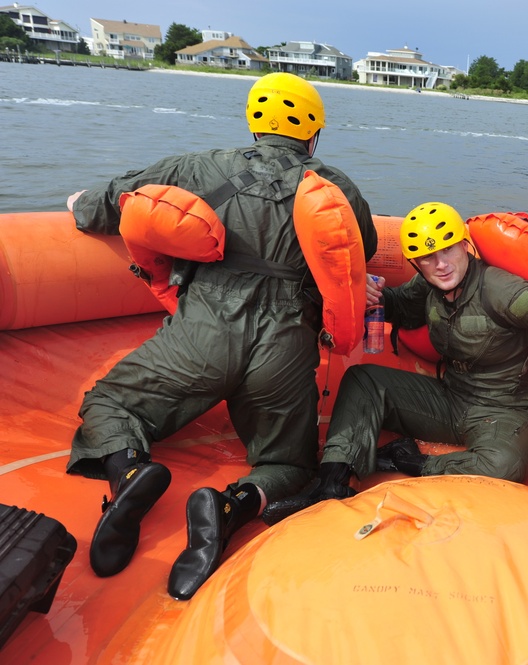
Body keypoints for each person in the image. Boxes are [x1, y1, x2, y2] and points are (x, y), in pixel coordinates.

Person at [65, 73, 378, 599]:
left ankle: (130, 474)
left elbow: (119, 199)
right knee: (288, 463)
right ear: (314, 133)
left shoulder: (195, 167)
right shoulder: (338, 188)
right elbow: (356, 252)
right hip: (284, 346)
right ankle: (232, 506)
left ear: (254, 124)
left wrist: (80, 204)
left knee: (112, 403)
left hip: (203, 333)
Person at [262, 202, 528, 524]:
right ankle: (332, 482)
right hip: (451, 400)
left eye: (448, 250)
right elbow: (400, 306)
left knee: (505, 466)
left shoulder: (502, 292)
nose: (441, 264)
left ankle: (412, 461)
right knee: (364, 381)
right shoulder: (428, 285)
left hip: (506, 412)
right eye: (427, 257)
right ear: (416, 262)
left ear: (464, 246)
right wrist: (368, 293)